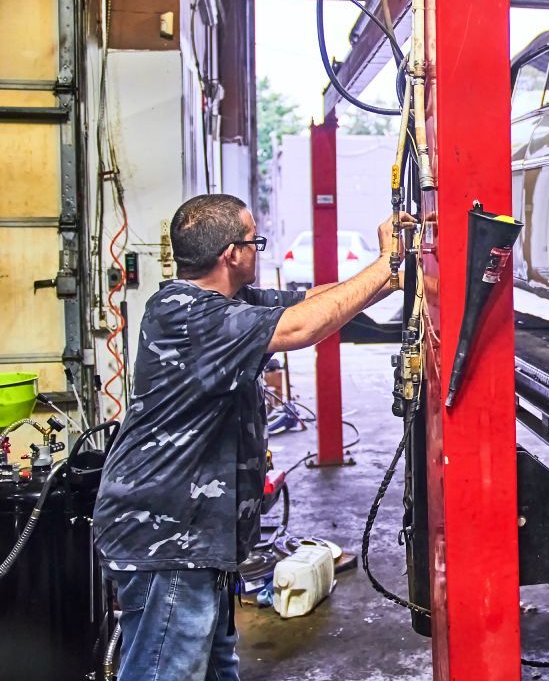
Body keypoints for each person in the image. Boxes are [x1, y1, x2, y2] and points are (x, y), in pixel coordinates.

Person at [92, 193, 411, 681]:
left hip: (198, 539)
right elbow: (302, 328)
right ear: (232, 254)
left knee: (215, 668)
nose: (257, 251)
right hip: (168, 539)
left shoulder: (227, 304)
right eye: (254, 242)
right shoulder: (190, 315)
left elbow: (315, 302)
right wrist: (385, 264)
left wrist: (392, 273)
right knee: (166, 671)